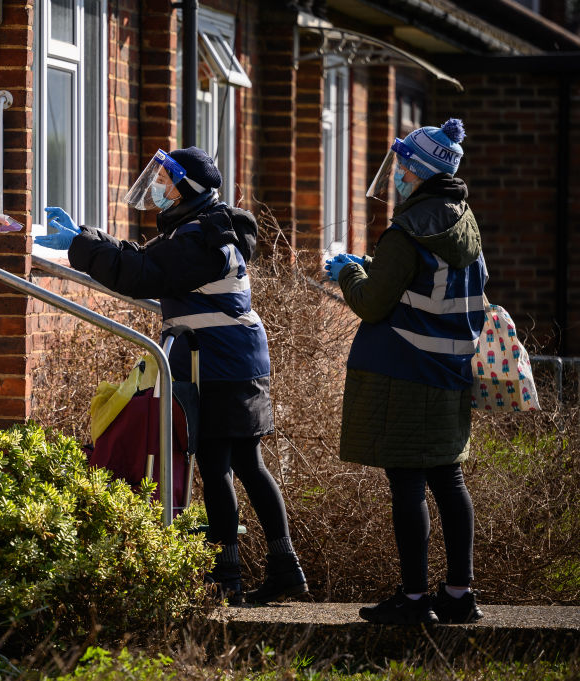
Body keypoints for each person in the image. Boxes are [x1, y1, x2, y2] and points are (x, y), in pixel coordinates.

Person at [36, 147, 308, 606]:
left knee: (220, 466)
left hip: (222, 366)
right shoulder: (201, 229)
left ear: (186, 189)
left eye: (164, 179)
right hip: (235, 362)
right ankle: (284, 570)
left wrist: (78, 248)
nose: (157, 187)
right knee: (245, 463)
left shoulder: (200, 239)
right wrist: (88, 236)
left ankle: (229, 578)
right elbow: (146, 259)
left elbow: (142, 273)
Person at [325, 118, 486, 625]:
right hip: (451, 373)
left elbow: (373, 304)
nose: (393, 177)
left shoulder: (406, 229)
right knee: (449, 478)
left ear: (416, 173)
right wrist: (380, 264)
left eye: (400, 168)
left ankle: (415, 600)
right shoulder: (463, 221)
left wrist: (349, 271)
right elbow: (429, 287)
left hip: (405, 374)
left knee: (407, 484)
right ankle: (459, 594)